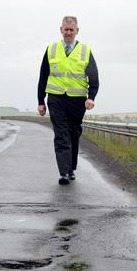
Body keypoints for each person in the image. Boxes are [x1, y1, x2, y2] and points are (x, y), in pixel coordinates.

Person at [37, 16, 99, 185]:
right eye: (66, 29)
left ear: (77, 31)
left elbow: (94, 78)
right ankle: (64, 172)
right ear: (61, 30)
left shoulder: (85, 51)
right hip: (56, 99)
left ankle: (70, 168)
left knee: (73, 133)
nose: (69, 32)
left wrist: (91, 97)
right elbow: (43, 76)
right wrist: (41, 101)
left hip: (77, 101)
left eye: (72, 30)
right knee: (61, 134)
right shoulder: (51, 49)